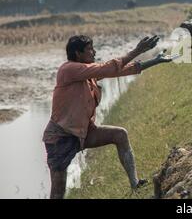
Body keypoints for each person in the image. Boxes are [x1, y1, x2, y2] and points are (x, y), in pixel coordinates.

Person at [42, 34, 174, 198]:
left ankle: (135, 183)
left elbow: (120, 70)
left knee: (120, 135)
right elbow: (108, 68)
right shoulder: (69, 70)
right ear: (78, 53)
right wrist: (137, 50)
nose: (94, 52)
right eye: (90, 49)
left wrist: (154, 61)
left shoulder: (86, 73)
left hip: (83, 132)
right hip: (60, 138)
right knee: (58, 190)